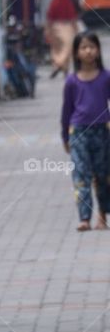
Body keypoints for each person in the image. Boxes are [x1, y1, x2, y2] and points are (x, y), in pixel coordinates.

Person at [61, 31, 110, 231]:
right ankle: (84, 217)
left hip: (102, 132)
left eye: (92, 46)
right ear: (76, 53)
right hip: (79, 132)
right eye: (83, 47)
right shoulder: (72, 81)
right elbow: (66, 110)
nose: (88, 51)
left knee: (103, 175)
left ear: (98, 50)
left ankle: (102, 216)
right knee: (81, 175)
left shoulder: (106, 77)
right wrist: (65, 136)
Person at [46, 0, 81, 78]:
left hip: (55, 27)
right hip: (67, 26)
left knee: (56, 49)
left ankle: (59, 66)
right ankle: (61, 65)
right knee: (68, 48)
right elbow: (73, 16)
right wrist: (76, 28)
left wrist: (48, 30)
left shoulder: (54, 2)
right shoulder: (67, 2)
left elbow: (49, 16)